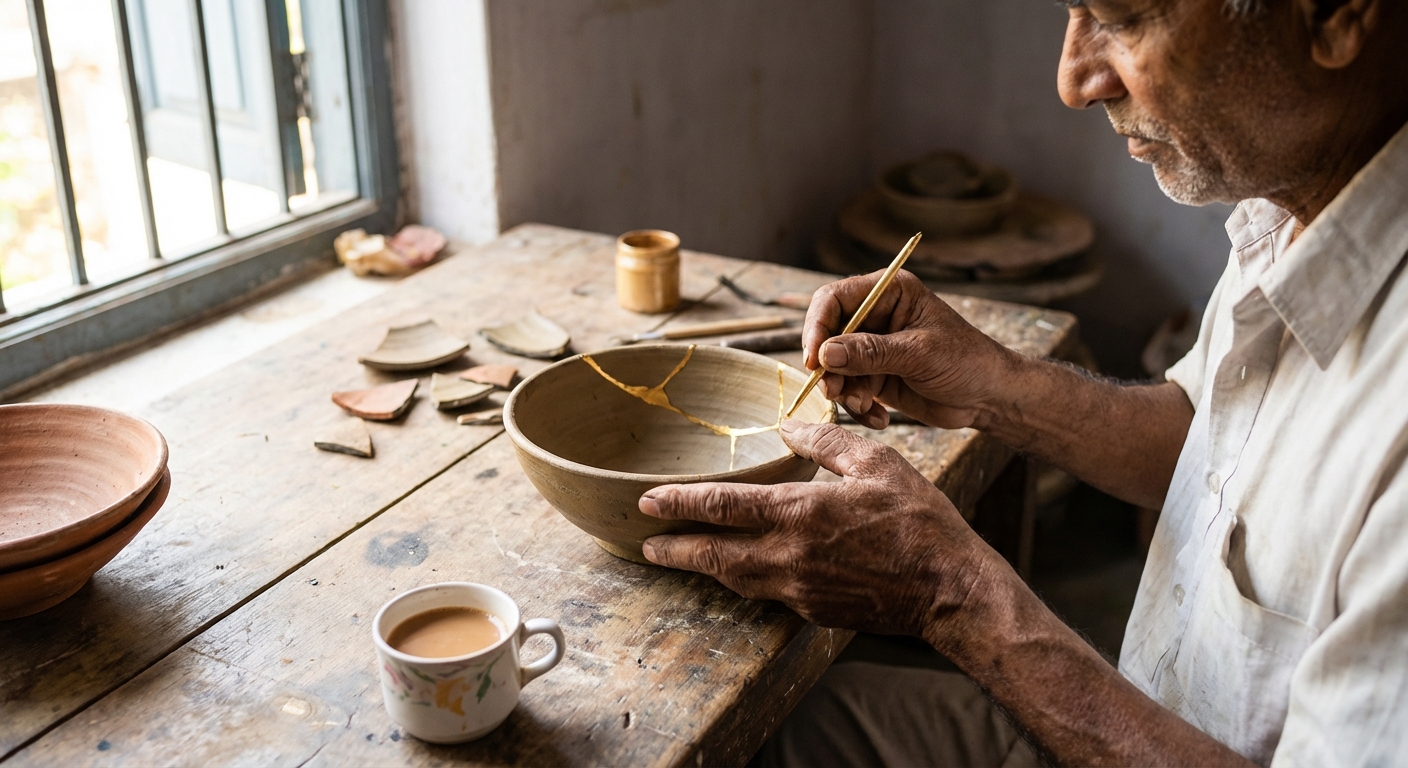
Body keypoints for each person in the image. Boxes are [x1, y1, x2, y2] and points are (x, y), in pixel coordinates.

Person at [636, 0, 1408, 764]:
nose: (1074, 79)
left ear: (1335, 15)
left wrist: (953, 595)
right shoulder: (1297, 202)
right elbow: (1213, 441)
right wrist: (991, 383)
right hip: (1134, 719)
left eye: (1126, 17)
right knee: (758, 741)